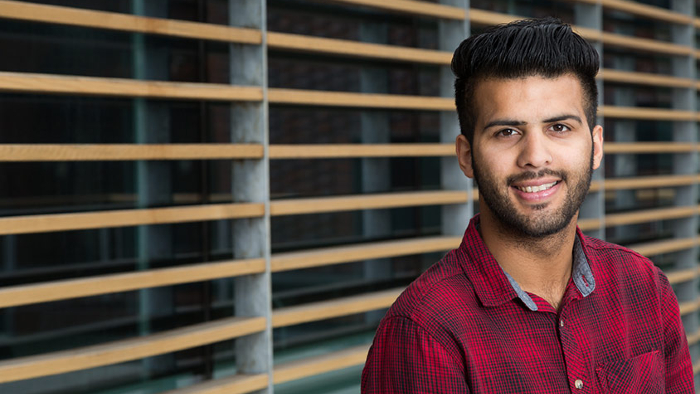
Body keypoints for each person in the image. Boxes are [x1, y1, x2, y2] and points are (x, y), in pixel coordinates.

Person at [361, 18, 694, 393]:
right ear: (467, 156)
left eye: (559, 128)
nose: (535, 157)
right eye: (507, 132)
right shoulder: (425, 333)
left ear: (596, 146)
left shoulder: (645, 289)